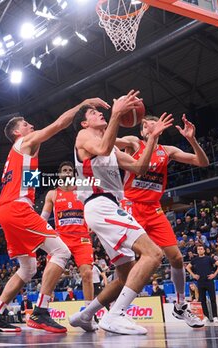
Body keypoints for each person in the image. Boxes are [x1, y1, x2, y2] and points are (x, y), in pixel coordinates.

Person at [0, 97, 109, 333]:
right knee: (61, 251)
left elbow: (28, 184)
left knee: (28, 268)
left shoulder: (21, 155)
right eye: (27, 124)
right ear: (18, 131)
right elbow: (60, 124)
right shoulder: (25, 140)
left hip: (8, 209)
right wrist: (83, 104)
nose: (31, 126)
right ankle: (41, 312)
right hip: (16, 207)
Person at [69, 90, 173, 335]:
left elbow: (140, 167)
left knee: (125, 275)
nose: (101, 114)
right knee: (153, 254)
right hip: (100, 204)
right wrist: (116, 114)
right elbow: (103, 149)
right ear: (85, 122)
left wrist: (153, 140)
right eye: (94, 113)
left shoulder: (111, 146)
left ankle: (86, 315)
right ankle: (115, 315)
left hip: (107, 207)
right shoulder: (84, 135)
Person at [119, 114, 209, 328]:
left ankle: (180, 305)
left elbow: (203, 162)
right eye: (145, 124)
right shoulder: (134, 142)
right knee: (127, 262)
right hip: (131, 206)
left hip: (154, 209)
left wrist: (191, 139)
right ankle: (118, 309)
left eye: (151, 121)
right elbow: (106, 143)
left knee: (177, 258)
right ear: (142, 132)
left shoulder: (167, 151)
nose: (148, 124)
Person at [41, 161, 95, 316]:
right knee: (50, 275)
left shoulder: (83, 190)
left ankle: (89, 313)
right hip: (61, 240)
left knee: (87, 274)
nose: (67, 172)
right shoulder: (52, 194)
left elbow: (93, 207)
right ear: (59, 174)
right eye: (64, 170)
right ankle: (42, 309)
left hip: (81, 239)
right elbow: (43, 218)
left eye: (70, 170)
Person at [186, 245, 218, 323]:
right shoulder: (195, 260)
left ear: (204, 250)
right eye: (198, 249)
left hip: (209, 281)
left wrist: (214, 274)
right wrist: (193, 275)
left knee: (213, 299)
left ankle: (215, 316)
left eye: (201, 249)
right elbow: (187, 267)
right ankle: (206, 316)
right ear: (197, 251)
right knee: (202, 300)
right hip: (200, 282)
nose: (200, 250)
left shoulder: (209, 258)